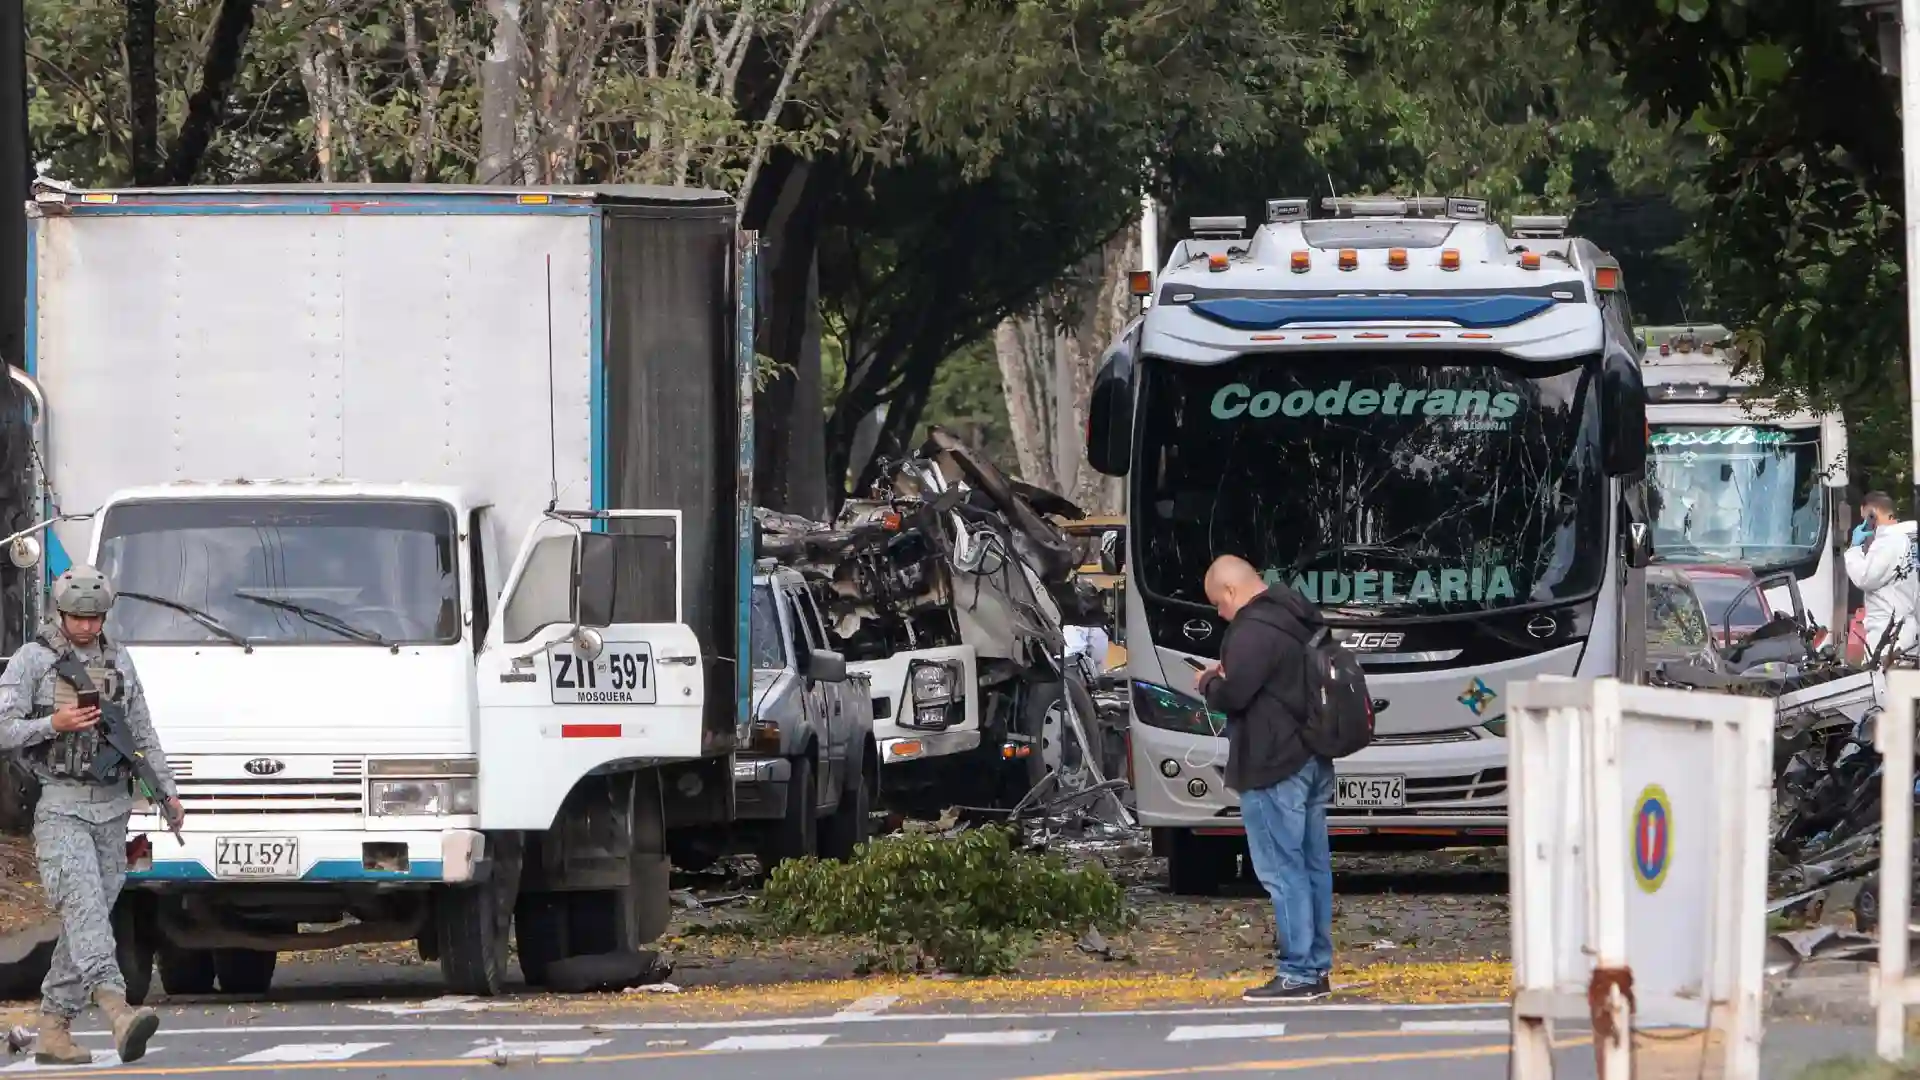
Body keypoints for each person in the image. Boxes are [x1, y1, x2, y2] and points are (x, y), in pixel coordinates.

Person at [0, 565, 181, 1064]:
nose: (86, 627)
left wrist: (167, 793)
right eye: (77, 617)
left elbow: (142, 732)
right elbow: (4, 728)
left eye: (95, 618)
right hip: (60, 807)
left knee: (90, 918)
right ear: (59, 613)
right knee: (83, 909)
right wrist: (50, 724)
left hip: (113, 808)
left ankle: (54, 1028)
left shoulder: (118, 660)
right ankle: (117, 1007)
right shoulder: (32, 661)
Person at [1193, 555, 1333, 1001]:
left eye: (1219, 603)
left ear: (1233, 592)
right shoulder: (1298, 614)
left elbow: (1236, 694)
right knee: (1312, 866)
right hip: (1311, 756)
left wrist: (1208, 683)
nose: (1219, 613)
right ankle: (1316, 967)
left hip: (1272, 763)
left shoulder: (1251, 628)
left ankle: (1297, 971)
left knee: (1281, 869)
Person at [1844, 492, 1920, 659]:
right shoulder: (1907, 540)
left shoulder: (1888, 542)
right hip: (1905, 631)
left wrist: (1853, 549)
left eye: (1865, 518)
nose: (1864, 524)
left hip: (1887, 634)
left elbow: (1864, 577)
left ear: (1873, 514)